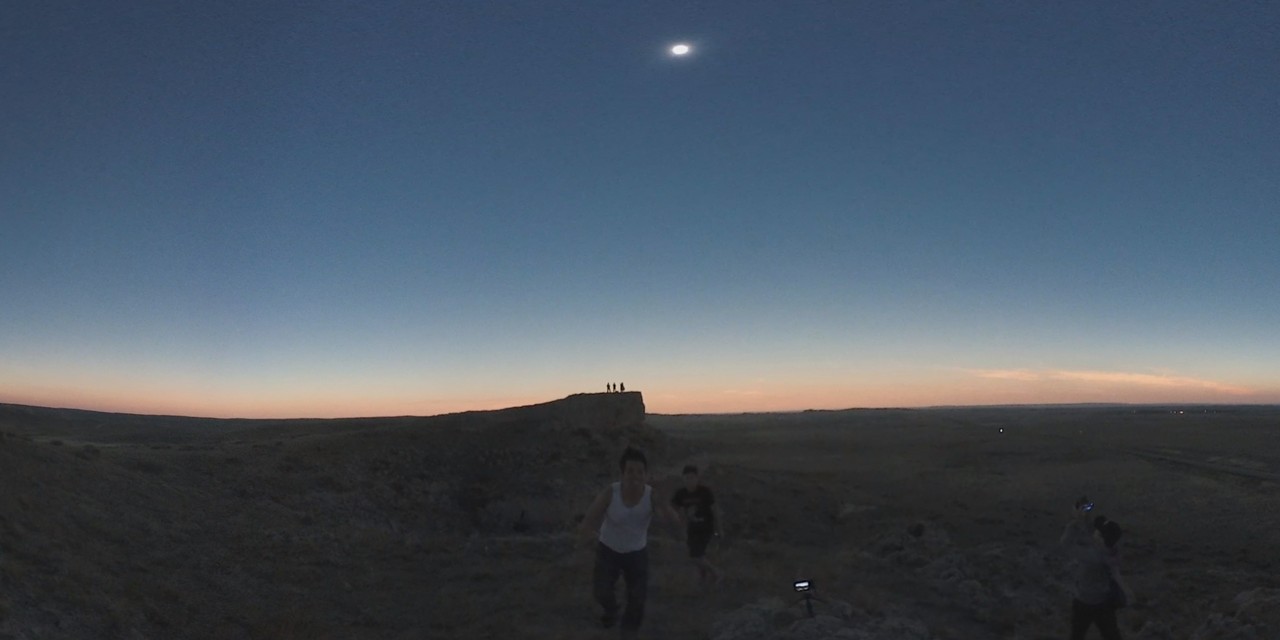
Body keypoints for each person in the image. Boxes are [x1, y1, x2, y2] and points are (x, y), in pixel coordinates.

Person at [578, 447, 684, 638]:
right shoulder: (611, 492)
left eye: (640, 472)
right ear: (622, 474)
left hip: (636, 553)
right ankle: (611, 610)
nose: (635, 476)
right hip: (608, 549)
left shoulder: (651, 496)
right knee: (601, 591)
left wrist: (664, 505)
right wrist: (587, 535)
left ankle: (628, 633)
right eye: (630, 471)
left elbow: (671, 521)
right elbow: (591, 517)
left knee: (637, 599)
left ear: (646, 474)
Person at [1059, 497, 1133, 639]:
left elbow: (1065, 545)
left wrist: (1074, 522)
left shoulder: (1092, 558)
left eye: (1098, 532)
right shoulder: (1112, 551)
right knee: (1112, 635)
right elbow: (1095, 538)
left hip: (1085, 602)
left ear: (1100, 538)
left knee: (1077, 635)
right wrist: (1086, 517)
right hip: (1105, 603)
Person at [670, 464, 724, 587]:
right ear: (683, 479)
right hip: (692, 529)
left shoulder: (705, 492)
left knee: (695, 556)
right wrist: (680, 517)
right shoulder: (681, 493)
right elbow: (673, 506)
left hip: (706, 527)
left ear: (697, 478)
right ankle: (703, 580)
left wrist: (719, 528)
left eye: (692, 477)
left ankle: (717, 573)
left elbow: (715, 510)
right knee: (699, 555)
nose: (690, 480)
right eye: (687, 478)